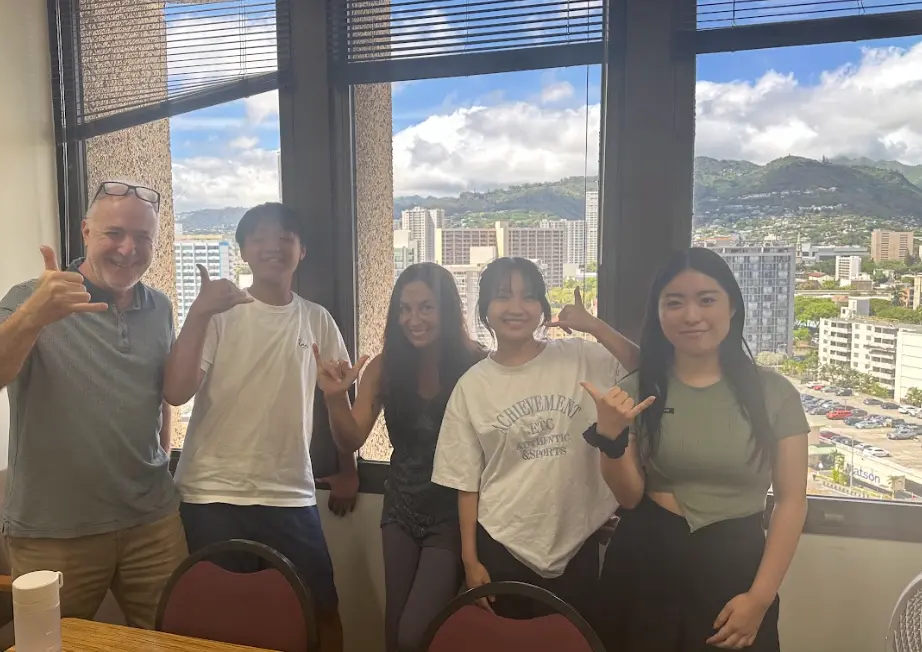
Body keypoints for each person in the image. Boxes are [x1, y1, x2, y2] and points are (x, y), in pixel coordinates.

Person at [0, 181, 187, 629]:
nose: (128, 249)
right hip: (55, 530)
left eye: (143, 237)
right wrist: (34, 316)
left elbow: (158, 395)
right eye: (114, 233)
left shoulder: (159, 306)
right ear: (85, 232)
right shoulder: (33, 298)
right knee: (51, 642)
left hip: (153, 522)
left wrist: (160, 454)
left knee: (173, 638)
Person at [587, 247, 809, 652]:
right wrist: (610, 438)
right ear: (658, 313)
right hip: (644, 564)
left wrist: (760, 598)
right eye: (674, 303)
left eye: (707, 300)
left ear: (732, 307)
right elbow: (629, 497)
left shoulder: (775, 393)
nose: (691, 315)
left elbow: (792, 501)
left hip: (735, 565)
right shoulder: (636, 389)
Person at [163, 202, 359, 652]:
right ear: (243, 251)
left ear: (302, 250)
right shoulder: (220, 313)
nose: (274, 245)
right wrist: (198, 313)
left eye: (286, 237)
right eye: (260, 237)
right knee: (215, 621)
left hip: (289, 493)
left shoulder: (317, 319)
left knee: (321, 613)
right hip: (211, 493)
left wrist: (347, 465)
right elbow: (176, 392)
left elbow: (342, 416)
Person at [430, 257, 639, 624]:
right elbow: (465, 481)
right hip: (503, 543)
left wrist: (594, 325)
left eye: (528, 296)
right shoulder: (472, 386)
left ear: (542, 307)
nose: (516, 307)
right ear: (485, 308)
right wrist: (470, 559)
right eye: (502, 296)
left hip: (577, 543)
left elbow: (645, 368)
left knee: (574, 641)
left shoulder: (579, 356)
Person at [314, 262, 484, 652]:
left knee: (414, 633)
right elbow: (351, 439)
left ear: (447, 309)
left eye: (426, 307)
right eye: (405, 309)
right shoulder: (385, 366)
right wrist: (335, 398)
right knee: (394, 630)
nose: (414, 319)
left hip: (453, 513)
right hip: (400, 509)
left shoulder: (476, 364)